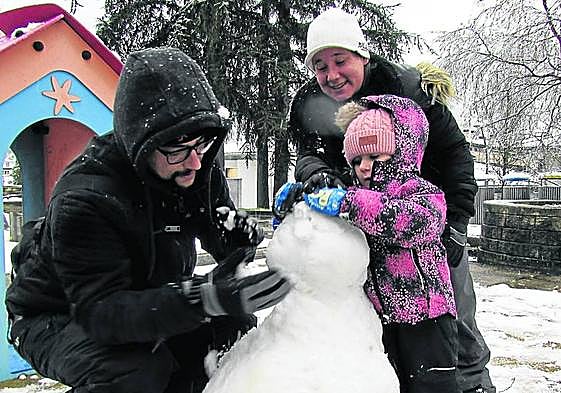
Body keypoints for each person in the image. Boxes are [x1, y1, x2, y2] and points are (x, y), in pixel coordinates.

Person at [5, 47, 290, 393]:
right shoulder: (87, 199)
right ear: (141, 144)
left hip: (145, 293)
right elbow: (104, 315)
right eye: (177, 149)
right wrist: (205, 298)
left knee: (227, 328)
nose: (195, 163)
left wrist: (238, 240)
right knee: (135, 370)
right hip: (58, 314)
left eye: (200, 145)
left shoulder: (193, 165)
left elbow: (217, 238)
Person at [286, 8, 494, 393]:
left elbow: (455, 156)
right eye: (320, 65)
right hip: (373, 234)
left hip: (429, 220)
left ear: (362, 55)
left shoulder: (407, 89)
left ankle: (475, 386)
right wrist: (317, 178)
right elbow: (311, 155)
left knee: (456, 326)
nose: (331, 75)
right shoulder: (311, 107)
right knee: (390, 340)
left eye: (340, 60)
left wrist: (456, 226)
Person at [310, 94, 459, 392]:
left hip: (427, 320)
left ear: (401, 151)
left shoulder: (421, 192)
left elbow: (413, 222)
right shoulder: (355, 196)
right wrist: (304, 198)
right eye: (356, 160)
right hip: (382, 321)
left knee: (433, 387)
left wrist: (350, 204)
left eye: (375, 157)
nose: (364, 167)